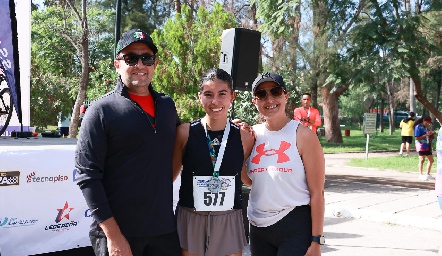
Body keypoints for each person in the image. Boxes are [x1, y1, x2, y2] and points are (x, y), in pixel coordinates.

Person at [75, 28, 181, 256]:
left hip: (164, 232)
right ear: (117, 64)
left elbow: (184, 140)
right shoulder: (101, 111)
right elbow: (88, 177)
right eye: (131, 58)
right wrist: (113, 237)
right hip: (120, 235)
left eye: (147, 58)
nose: (140, 65)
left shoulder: (167, 106)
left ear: (155, 63)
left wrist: (229, 126)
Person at [172, 68, 255, 256]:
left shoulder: (245, 137)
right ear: (200, 96)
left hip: (229, 217)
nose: (215, 101)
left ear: (232, 96)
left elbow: (245, 177)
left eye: (222, 94)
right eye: (208, 94)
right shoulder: (184, 133)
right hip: (191, 216)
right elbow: (169, 177)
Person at [244, 72, 325, 256]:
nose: (269, 99)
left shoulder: (304, 136)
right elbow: (250, 181)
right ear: (254, 101)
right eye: (262, 94)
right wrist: (240, 149)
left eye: (275, 91)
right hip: (258, 227)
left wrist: (316, 241)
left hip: (294, 226)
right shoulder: (251, 135)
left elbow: (317, 192)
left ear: (286, 96)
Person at [414, 115, 435, 181]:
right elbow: (417, 137)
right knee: (422, 159)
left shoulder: (427, 127)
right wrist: (426, 135)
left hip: (427, 144)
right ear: (423, 120)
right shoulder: (418, 127)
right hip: (421, 145)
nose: (428, 124)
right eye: (427, 122)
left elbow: (430, 136)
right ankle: (420, 174)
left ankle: (427, 174)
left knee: (431, 160)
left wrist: (432, 134)